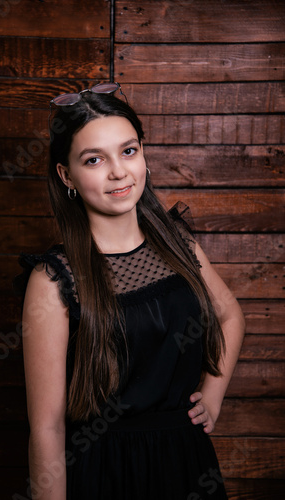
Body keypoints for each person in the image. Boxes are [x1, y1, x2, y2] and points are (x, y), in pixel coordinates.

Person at [17, 82, 245, 500]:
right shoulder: (53, 280)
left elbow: (230, 316)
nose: (118, 171)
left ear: (143, 154)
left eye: (128, 151)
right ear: (66, 175)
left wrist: (211, 397)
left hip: (185, 463)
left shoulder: (180, 245)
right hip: (102, 470)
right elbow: (46, 428)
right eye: (93, 159)